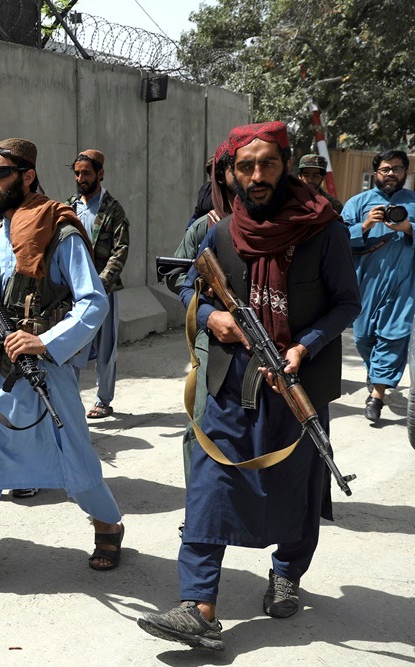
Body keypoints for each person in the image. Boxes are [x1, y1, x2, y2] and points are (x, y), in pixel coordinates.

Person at [138, 122, 361, 650]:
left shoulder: (323, 229)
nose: (256, 176)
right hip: (228, 382)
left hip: (295, 381)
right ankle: (198, 605)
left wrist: (303, 346)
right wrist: (212, 316)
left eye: (266, 164)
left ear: (285, 164)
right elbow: (194, 288)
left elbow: (346, 302)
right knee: (210, 488)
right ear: (232, 172)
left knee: (297, 489)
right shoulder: (220, 233)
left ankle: (286, 572)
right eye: (245, 167)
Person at [0, 138, 124, 604]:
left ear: (27, 175)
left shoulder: (60, 228)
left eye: (0, 174)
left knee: (73, 457)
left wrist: (45, 342)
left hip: (43, 371)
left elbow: (92, 303)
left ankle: (108, 522)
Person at [341, 150, 415, 423]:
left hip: (405, 282)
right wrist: (364, 225)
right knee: (364, 337)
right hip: (366, 283)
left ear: (405, 174)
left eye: (398, 169)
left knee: (395, 335)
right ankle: (377, 372)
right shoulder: (358, 202)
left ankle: (376, 395)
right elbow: (337, 238)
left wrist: (409, 226)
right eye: (386, 168)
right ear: (376, 171)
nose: (391, 173)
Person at [164, 140, 234, 489]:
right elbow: (178, 278)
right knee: (203, 422)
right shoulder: (204, 227)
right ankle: (198, 503)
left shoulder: (281, 226)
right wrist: (207, 309)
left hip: (270, 336)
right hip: (217, 337)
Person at [66, 149, 130, 420]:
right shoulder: (69, 206)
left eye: (87, 173)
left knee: (106, 347)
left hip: (103, 290)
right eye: (78, 173)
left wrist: (100, 284)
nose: (81, 178)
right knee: (71, 345)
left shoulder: (113, 209)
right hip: (71, 290)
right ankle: (69, 401)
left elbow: (121, 249)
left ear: (100, 174)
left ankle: (103, 401)